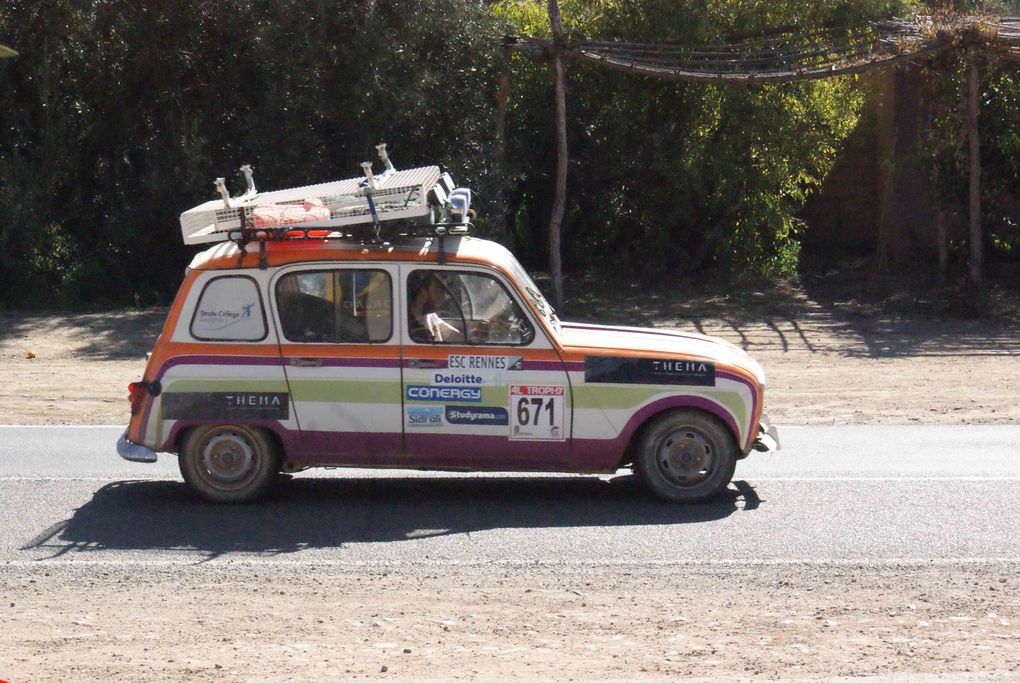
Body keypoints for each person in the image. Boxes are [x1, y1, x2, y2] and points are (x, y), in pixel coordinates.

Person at [408, 273, 462, 343]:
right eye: (439, 288)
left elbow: (455, 336)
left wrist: (474, 335)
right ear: (422, 293)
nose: (444, 294)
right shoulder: (411, 327)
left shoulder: (431, 317)